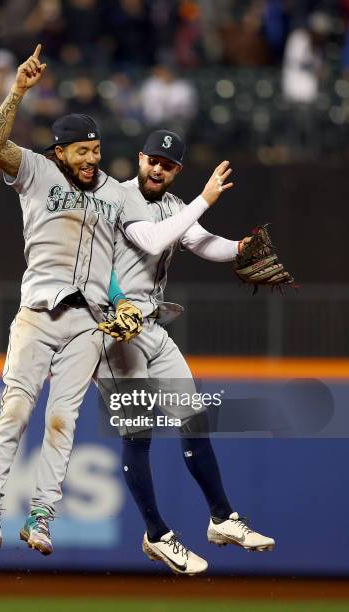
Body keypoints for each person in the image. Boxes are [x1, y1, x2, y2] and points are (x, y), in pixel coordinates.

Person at [0, 45, 232, 551]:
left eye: (96, 150)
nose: (92, 159)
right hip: (38, 313)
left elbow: (127, 251)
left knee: (62, 419)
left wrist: (121, 300)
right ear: (60, 151)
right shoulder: (35, 171)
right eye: (82, 151)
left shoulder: (114, 192)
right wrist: (19, 90)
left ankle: (42, 515)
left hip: (89, 324)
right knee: (17, 410)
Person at [97, 129, 275, 575]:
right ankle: (156, 535)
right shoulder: (118, 197)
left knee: (193, 418)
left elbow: (198, 241)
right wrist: (206, 197)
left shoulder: (176, 207)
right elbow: (154, 240)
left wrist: (239, 248)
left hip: (153, 328)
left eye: (168, 164)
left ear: (176, 171)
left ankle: (222, 519)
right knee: (138, 434)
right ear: (139, 158)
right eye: (153, 159)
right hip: (117, 333)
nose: (158, 168)